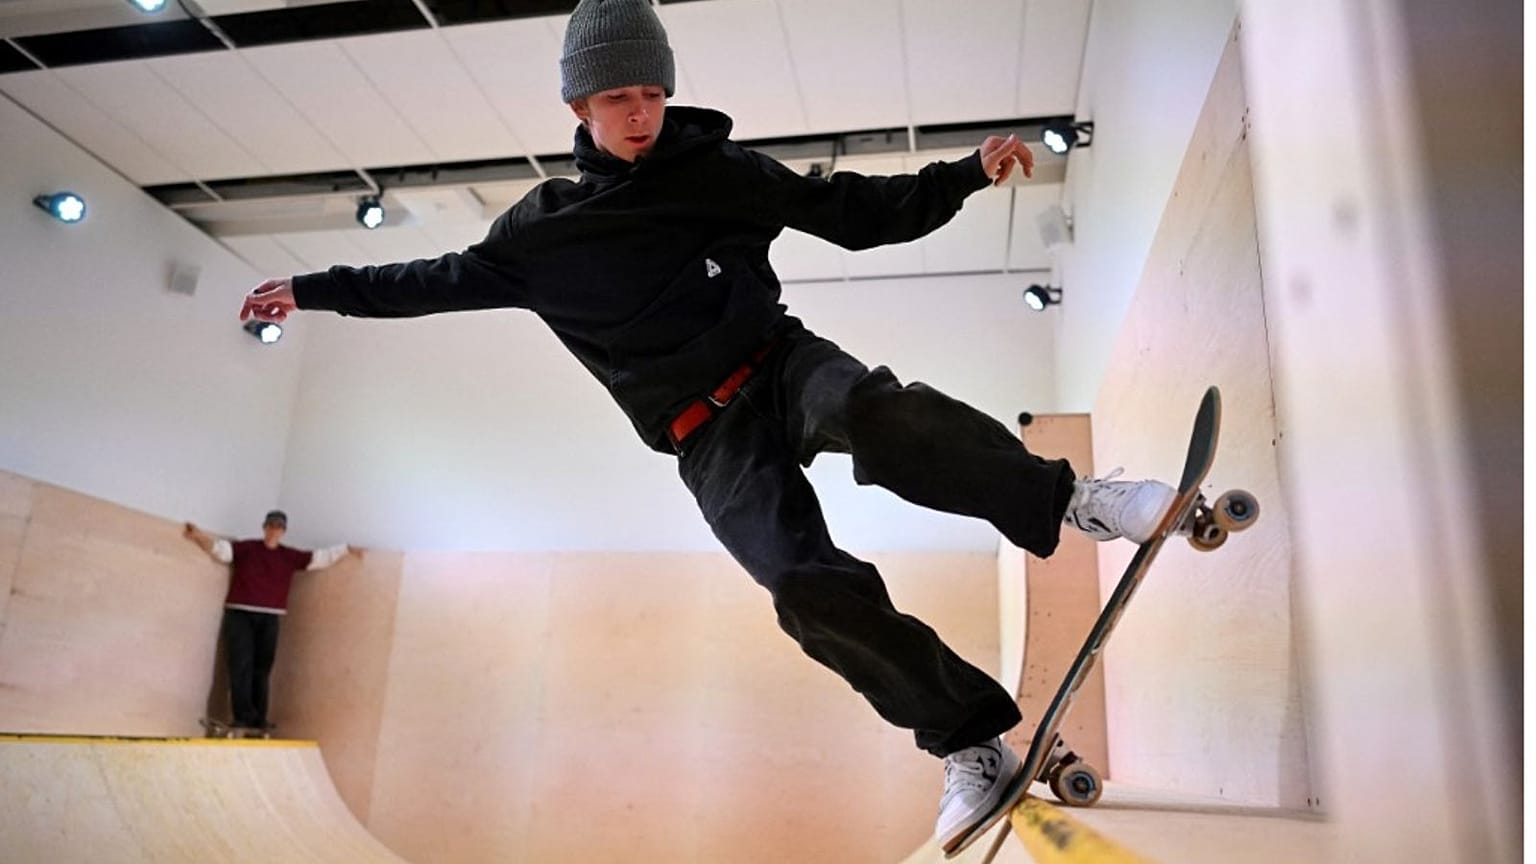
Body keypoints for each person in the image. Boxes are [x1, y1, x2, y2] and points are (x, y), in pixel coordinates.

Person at [237, 0, 1176, 848]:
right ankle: (972, 744)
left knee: (872, 413)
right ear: (579, 111)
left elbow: (850, 212)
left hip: (779, 363)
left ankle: (1077, 501)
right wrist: (316, 291)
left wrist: (961, 174)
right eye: (618, 98)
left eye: (652, 92)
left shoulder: (717, 172)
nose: (641, 113)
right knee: (804, 589)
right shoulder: (536, 235)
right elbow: (428, 281)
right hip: (704, 437)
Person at [184, 511, 360, 731]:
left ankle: (259, 718)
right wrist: (199, 535)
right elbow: (221, 551)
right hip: (240, 614)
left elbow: (319, 558)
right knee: (240, 666)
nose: (274, 529)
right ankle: (242, 717)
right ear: (264, 527)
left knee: (262, 669)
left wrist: (345, 549)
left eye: (278, 526)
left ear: (283, 531)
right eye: (271, 525)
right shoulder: (248, 548)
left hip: (270, 616)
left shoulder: (289, 556)